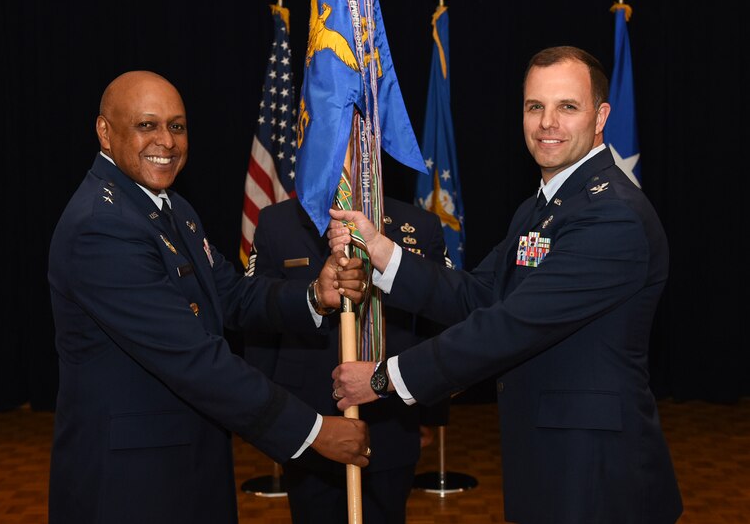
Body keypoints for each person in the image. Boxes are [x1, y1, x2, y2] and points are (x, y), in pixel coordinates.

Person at [327, 46, 683, 524]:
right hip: (546, 457)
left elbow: (509, 326)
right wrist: (381, 251)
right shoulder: (541, 207)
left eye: (567, 107)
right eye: (535, 106)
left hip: (596, 471)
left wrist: (383, 378)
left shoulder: (611, 213)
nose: (547, 123)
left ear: (600, 117)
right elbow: (476, 295)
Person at [47, 70, 371, 524]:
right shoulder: (102, 227)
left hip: (185, 463)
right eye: (147, 125)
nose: (167, 141)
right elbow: (192, 358)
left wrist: (316, 296)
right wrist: (311, 431)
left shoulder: (170, 208)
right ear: (105, 131)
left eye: (176, 126)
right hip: (132, 484)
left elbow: (231, 294)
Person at [243, 196, 451, 523]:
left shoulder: (419, 224)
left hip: (391, 417)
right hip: (307, 416)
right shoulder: (276, 221)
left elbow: (436, 323)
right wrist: (265, 414)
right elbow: (257, 319)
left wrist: (431, 411)